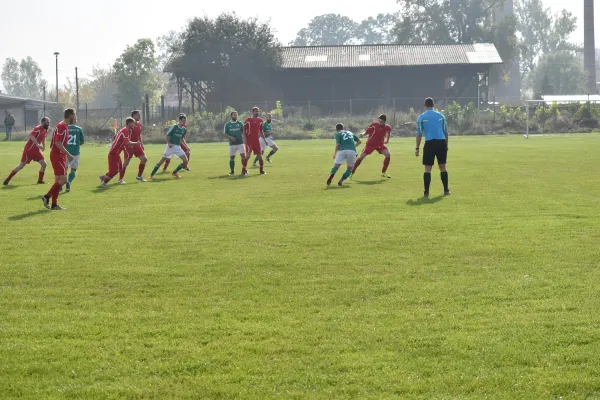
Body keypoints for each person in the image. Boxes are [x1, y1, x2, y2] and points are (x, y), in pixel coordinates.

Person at [42, 109, 75, 210]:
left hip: (58, 155)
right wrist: (68, 154)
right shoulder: (62, 126)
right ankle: (46, 196)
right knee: (64, 179)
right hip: (58, 155)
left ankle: (54, 204)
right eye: (74, 115)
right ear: (70, 116)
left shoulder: (63, 125)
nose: (75, 118)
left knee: (58, 180)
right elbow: (57, 143)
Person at [416, 97, 450, 197]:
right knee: (443, 167)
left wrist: (417, 148)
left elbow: (419, 133)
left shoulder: (421, 117)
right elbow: (446, 132)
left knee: (427, 168)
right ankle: (446, 190)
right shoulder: (441, 115)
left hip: (429, 143)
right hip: (441, 142)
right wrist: (446, 145)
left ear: (425, 105)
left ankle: (426, 192)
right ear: (433, 105)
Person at [4, 117, 50, 185]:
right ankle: (7, 179)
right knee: (21, 166)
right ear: (43, 122)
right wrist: (37, 144)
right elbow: (31, 136)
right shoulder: (37, 128)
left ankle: (40, 181)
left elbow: (43, 138)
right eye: (47, 122)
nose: (48, 123)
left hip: (36, 151)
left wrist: (43, 146)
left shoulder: (45, 130)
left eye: (49, 122)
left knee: (44, 164)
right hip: (29, 150)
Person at [98, 118, 141, 188]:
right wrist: (137, 143)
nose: (134, 125)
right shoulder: (125, 130)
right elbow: (127, 143)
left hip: (116, 153)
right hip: (113, 153)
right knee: (114, 171)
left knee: (120, 169)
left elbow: (114, 138)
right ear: (129, 123)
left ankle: (104, 177)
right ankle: (103, 183)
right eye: (133, 123)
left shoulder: (123, 130)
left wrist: (120, 146)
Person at [148, 114, 189, 179]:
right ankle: (151, 175)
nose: (184, 122)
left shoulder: (184, 129)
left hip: (177, 147)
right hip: (170, 146)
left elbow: (181, 138)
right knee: (162, 160)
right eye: (183, 120)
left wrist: (186, 146)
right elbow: (166, 135)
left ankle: (175, 172)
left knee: (185, 161)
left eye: (185, 120)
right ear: (180, 120)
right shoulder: (175, 126)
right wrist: (169, 143)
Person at [351, 114, 392, 179]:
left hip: (380, 144)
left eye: (381, 121)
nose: (380, 123)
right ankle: (351, 173)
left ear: (384, 121)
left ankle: (383, 173)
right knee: (361, 157)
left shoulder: (388, 127)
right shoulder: (375, 124)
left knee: (388, 155)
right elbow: (367, 131)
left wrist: (386, 141)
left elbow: (387, 135)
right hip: (370, 144)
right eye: (379, 121)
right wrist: (363, 134)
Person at [119, 110, 148, 183]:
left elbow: (138, 135)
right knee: (126, 162)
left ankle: (139, 176)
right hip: (129, 145)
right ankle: (120, 179)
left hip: (137, 145)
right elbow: (125, 134)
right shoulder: (129, 125)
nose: (139, 116)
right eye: (138, 115)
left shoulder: (139, 124)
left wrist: (141, 144)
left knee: (144, 159)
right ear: (133, 116)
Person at [244, 107, 268, 175]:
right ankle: (243, 170)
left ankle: (261, 170)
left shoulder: (260, 120)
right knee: (248, 155)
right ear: (252, 112)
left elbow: (261, 131)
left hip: (256, 140)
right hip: (249, 140)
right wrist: (245, 139)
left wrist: (265, 140)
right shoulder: (248, 120)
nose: (256, 112)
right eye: (255, 111)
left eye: (257, 111)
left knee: (260, 155)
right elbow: (243, 129)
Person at [63, 118, 85, 192]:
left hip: (65, 152)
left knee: (64, 169)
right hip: (75, 152)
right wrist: (76, 144)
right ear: (75, 121)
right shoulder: (79, 129)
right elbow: (82, 142)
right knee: (73, 170)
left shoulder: (65, 128)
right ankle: (68, 182)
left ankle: (60, 185)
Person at [223, 111, 247, 175]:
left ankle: (244, 170)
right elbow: (225, 134)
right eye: (234, 115)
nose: (235, 116)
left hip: (240, 143)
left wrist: (244, 139)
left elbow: (244, 132)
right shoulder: (227, 124)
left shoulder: (240, 123)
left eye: (236, 115)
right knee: (232, 157)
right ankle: (232, 171)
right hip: (232, 144)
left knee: (243, 156)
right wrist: (230, 137)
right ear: (231, 116)